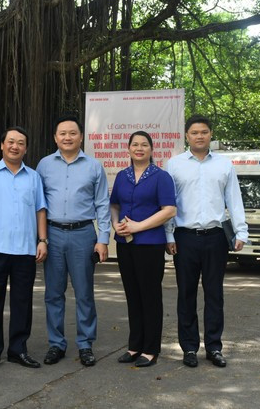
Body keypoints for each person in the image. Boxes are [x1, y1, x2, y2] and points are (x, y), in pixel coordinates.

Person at [165, 114, 248, 369]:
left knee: (215, 295)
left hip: (215, 238)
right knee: (186, 295)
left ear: (211, 134)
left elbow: (234, 199)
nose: (199, 136)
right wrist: (169, 235)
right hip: (184, 238)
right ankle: (189, 348)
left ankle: (214, 347)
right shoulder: (174, 165)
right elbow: (169, 204)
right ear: (186, 136)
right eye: (194, 132)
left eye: (204, 132)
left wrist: (241, 232)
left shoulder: (223, 165)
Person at [36, 116, 111, 367]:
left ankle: (85, 344)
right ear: (55, 137)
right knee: (53, 293)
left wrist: (103, 239)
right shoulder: (44, 165)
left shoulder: (93, 166)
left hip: (83, 234)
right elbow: (39, 205)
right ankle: (56, 344)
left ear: (81, 136)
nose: (67, 137)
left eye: (72, 133)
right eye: (62, 133)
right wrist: (41, 238)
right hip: (53, 234)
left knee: (84, 293)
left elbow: (102, 204)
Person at [0, 126, 47, 371]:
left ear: (26, 148)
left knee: (22, 302)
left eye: (21, 143)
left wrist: (42, 240)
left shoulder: (34, 177)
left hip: (25, 249)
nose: (15, 146)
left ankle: (18, 350)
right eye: (11, 142)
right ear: (2, 145)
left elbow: (40, 210)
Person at [109, 131, 176, 368]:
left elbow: (169, 210)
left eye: (144, 144)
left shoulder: (161, 177)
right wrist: (116, 222)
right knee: (132, 295)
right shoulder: (122, 176)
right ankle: (134, 345)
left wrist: (138, 226)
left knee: (150, 296)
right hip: (125, 244)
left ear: (151, 149)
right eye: (135, 144)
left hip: (150, 244)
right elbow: (114, 204)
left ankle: (150, 349)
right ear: (128, 149)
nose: (139, 148)